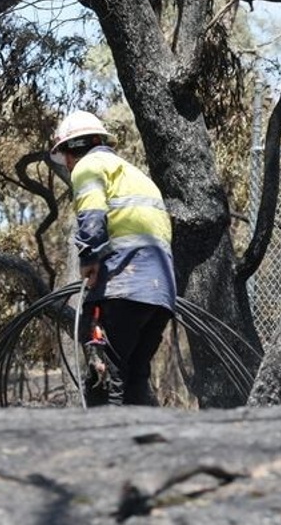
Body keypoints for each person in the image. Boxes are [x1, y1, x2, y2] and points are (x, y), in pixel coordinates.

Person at [50, 110, 177, 406]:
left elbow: (92, 217)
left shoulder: (88, 167)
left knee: (106, 379)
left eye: (65, 158)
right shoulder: (133, 173)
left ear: (72, 151)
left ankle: (105, 447)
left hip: (123, 287)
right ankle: (146, 446)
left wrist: (89, 260)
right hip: (160, 294)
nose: (67, 166)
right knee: (134, 376)